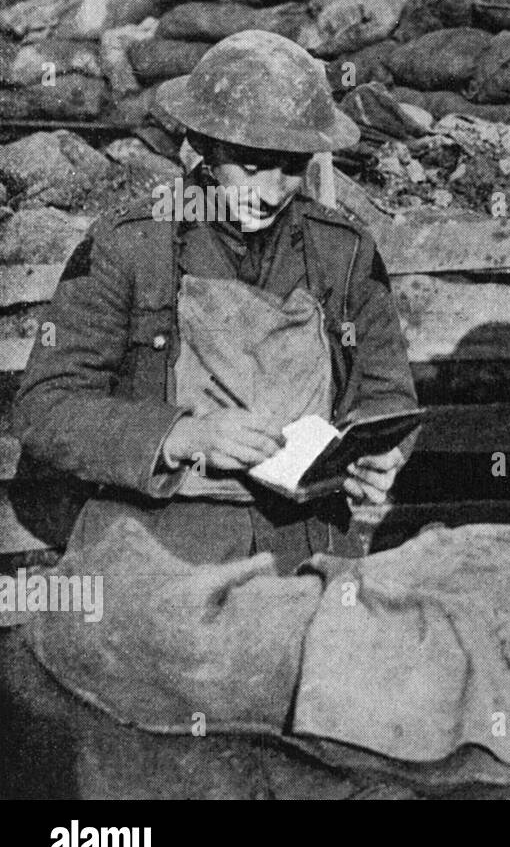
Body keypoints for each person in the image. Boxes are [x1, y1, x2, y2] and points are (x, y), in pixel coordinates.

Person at [14, 30, 418, 573]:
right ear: (205, 147)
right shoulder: (131, 244)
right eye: (251, 164)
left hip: (308, 545)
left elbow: (387, 393)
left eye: (291, 167)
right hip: (160, 544)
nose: (271, 190)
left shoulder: (343, 252)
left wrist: (379, 454)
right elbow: (46, 407)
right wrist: (183, 435)